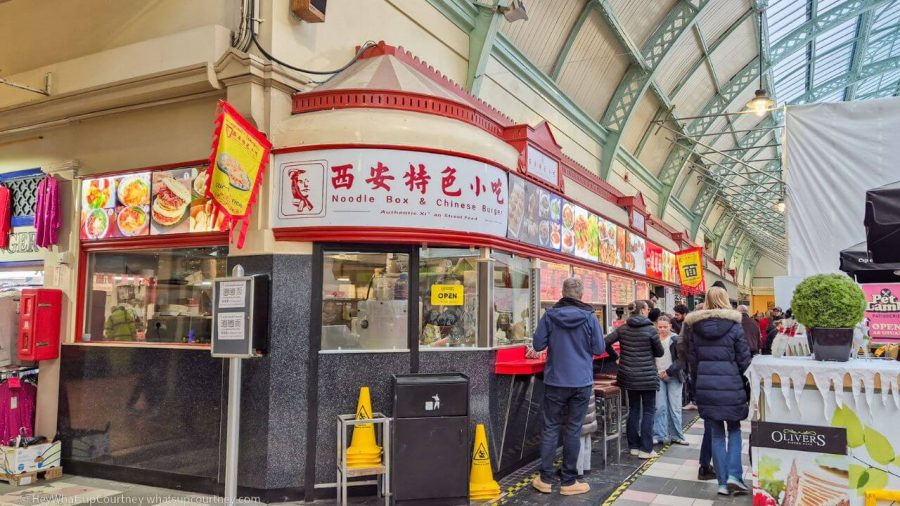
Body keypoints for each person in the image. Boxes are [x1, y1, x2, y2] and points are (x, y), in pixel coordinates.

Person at [531, 277, 606, 496]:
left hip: (555, 380)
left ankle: (545, 479)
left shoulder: (550, 315)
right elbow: (599, 347)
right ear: (581, 295)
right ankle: (568, 482)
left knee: (551, 428)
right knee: (573, 430)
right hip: (581, 381)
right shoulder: (590, 317)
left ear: (562, 293)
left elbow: (537, 345)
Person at [686, 287, 752, 496]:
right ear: (726, 300)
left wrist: (696, 388)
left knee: (715, 434)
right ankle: (735, 476)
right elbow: (744, 361)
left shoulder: (695, 327)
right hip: (731, 386)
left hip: (706, 388)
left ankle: (722, 484)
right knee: (734, 430)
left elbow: (692, 362)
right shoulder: (734, 327)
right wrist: (747, 385)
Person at [605, 300, 664, 459]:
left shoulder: (622, 328)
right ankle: (646, 449)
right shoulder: (651, 329)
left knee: (634, 409)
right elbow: (659, 352)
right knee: (649, 411)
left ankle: (634, 446)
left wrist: (616, 356)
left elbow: (605, 342)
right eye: (647, 308)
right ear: (643, 310)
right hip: (647, 377)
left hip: (629, 376)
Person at [652, 315, 688, 446]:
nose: (662, 329)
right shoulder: (653, 339)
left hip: (673, 376)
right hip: (658, 376)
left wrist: (668, 372)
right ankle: (659, 435)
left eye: (665, 327)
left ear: (670, 326)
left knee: (675, 407)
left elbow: (682, 360)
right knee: (659, 407)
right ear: (656, 326)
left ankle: (676, 435)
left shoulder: (676, 339)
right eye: (660, 327)